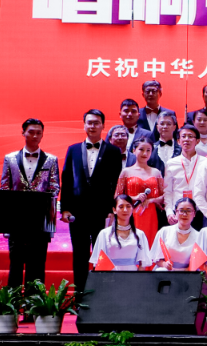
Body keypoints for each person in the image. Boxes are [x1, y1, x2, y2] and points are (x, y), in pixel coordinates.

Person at [61, 109, 125, 291]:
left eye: (96, 122)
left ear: (103, 125)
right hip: (77, 212)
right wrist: (65, 208)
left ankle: (101, 296)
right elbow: (67, 180)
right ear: (84, 125)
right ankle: (80, 296)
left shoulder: (113, 151)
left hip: (102, 213)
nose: (92, 126)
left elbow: (116, 183)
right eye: (89, 122)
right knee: (79, 255)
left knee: (102, 254)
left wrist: (112, 210)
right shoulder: (73, 149)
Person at [0, 118, 61, 288]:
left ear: (42, 135)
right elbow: (4, 188)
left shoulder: (51, 160)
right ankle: (13, 302)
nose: (35, 136)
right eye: (31, 132)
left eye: (38, 133)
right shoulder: (10, 158)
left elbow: (54, 187)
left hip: (40, 220)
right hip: (16, 220)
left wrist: (42, 209)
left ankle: (33, 303)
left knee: (38, 265)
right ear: (23, 133)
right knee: (16, 264)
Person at [89, 194, 154, 271]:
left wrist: (137, 278)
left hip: (132, 275)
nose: (125, 210)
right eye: (121, 207)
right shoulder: (104, 234)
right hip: (111, 275)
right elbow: (100, 264)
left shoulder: (140, 234)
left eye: (128, 206)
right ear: (114, 210)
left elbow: (142, 265)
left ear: (132, 209)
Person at [115, 137, 166, 235]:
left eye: (148, 150)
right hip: (130, 212)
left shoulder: (156, 172)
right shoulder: (126, 172)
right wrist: (134, 197)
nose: (144, 153)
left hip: (150, 213)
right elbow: (117, 196)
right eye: (141, 149)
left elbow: (165, 196)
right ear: (134, 150)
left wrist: (152, 200)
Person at [151, 197, 201, 272]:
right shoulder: (164, 231)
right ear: (176, 212)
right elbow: (156, 258)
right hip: (167, 271)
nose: (184, 214)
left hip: (188, 273)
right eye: (181, 210)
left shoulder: (199, 236)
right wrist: (164, 264)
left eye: (188, 210)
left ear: (194, 213)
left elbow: (199, 262)